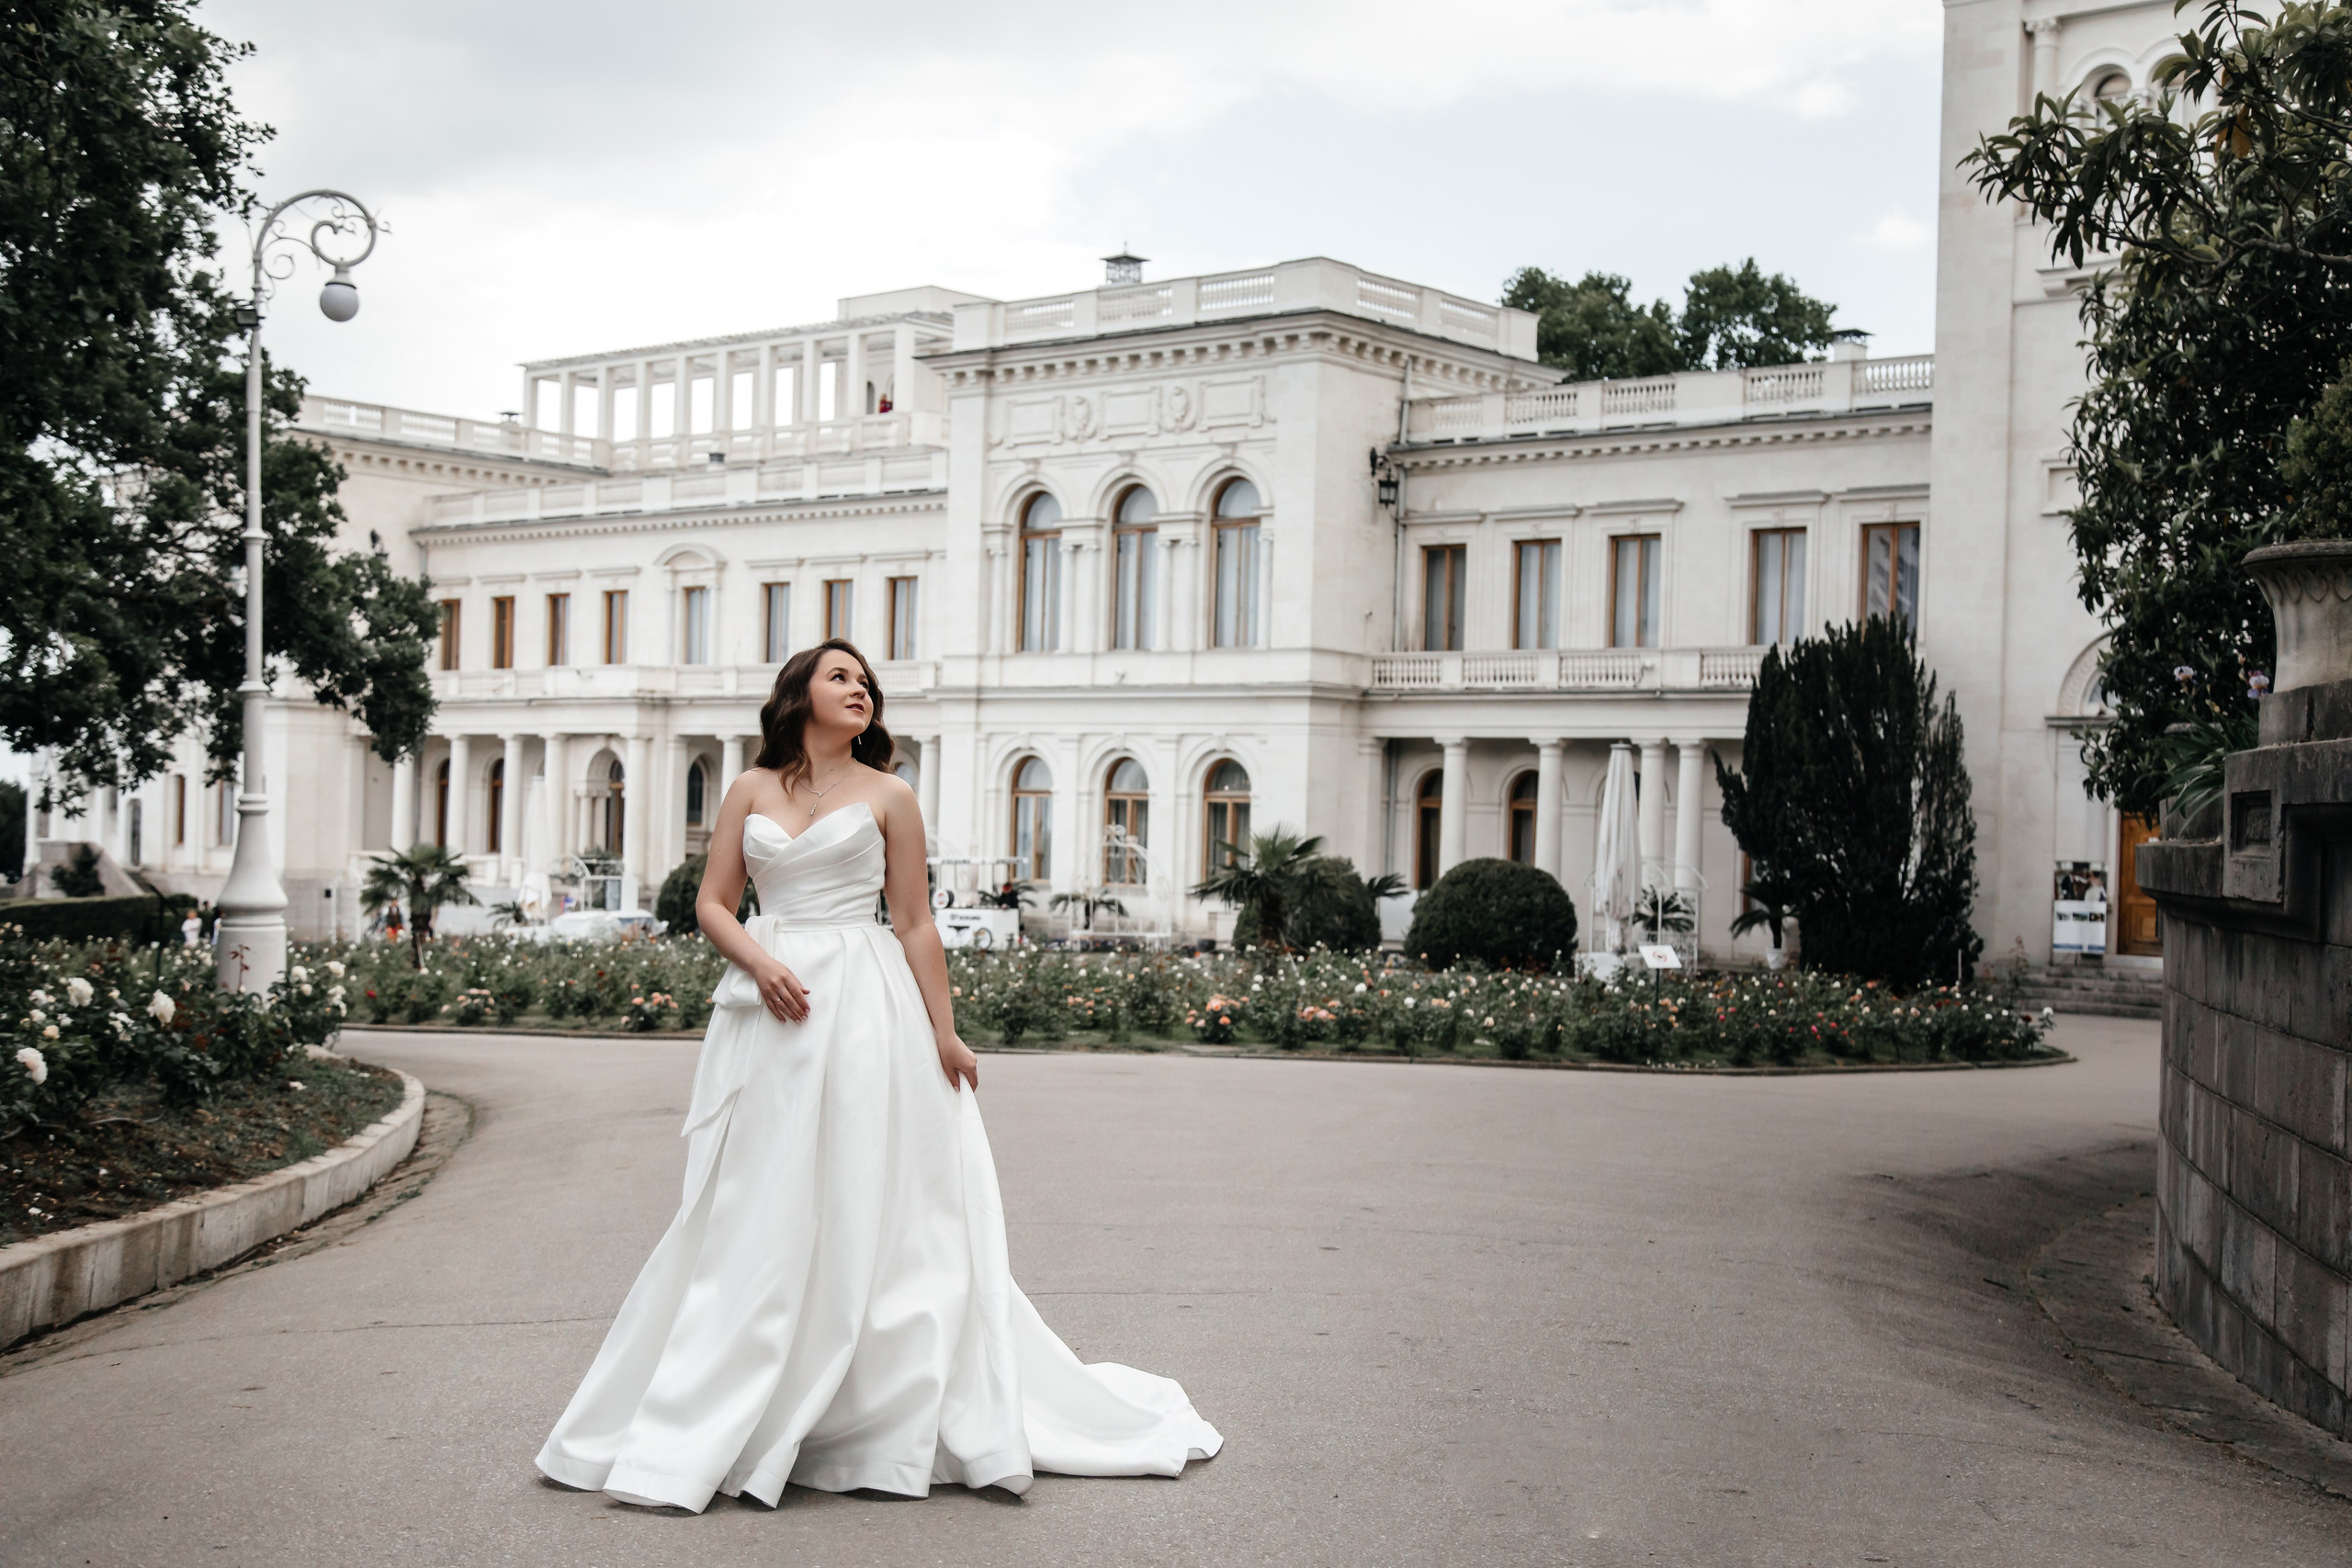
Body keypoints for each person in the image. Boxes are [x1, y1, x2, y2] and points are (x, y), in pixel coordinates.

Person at [536, 639, 1219, 1510]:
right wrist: (759, 964)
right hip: (775, 1005)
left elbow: (914, 923)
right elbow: (713, 901)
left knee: (867, 1193)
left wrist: (947, 1032)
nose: (859, 689)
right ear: (800, 694)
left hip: (864, 1002)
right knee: (759, 1200)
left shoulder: (892, 795)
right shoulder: (749, 788)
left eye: (866, 682)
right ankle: (719, 1400)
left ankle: (873, 1407)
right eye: (840, 677)